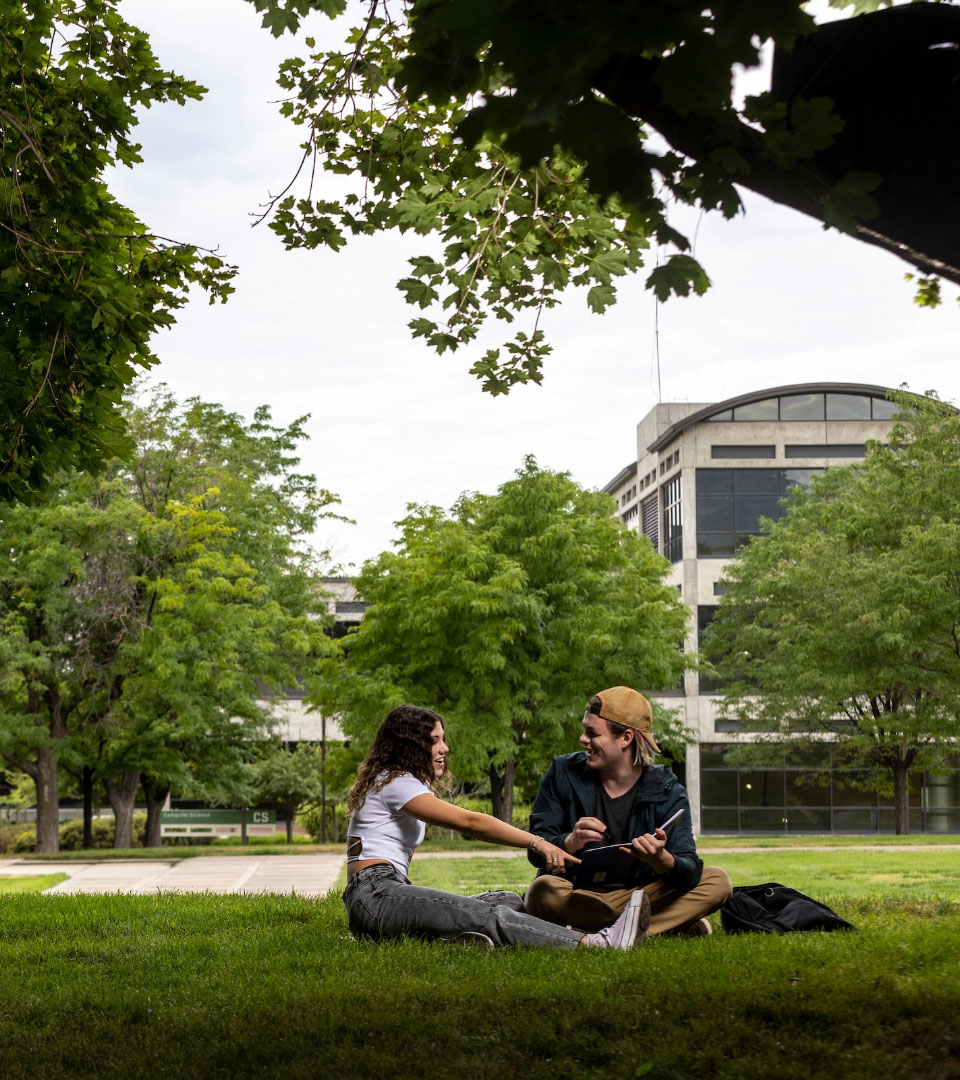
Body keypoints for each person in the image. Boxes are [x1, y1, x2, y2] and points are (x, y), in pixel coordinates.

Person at [343, 703, 651, 949]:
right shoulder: (395, 781)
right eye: (434, 741)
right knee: (489, 914)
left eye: (443, 739)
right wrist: (537, 842)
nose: (445, 748)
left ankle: (456, 940)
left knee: (507, 899)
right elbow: (471, 822)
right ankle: (596, 942)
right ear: (409, 745)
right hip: (376, 895)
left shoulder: (394, 781)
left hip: (384, 894)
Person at [523, 686, 732, 936]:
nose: (583, 739)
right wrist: (569, 841)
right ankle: (652, 926)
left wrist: (661, 859)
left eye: (592, 733)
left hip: (640, 893)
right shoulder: (562, 772)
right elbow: (536, 850)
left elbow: (690, 871)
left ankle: (594, 929)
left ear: (626, 739)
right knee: (543, 890)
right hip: (577, 891)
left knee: (717, 882)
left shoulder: (668, 789)